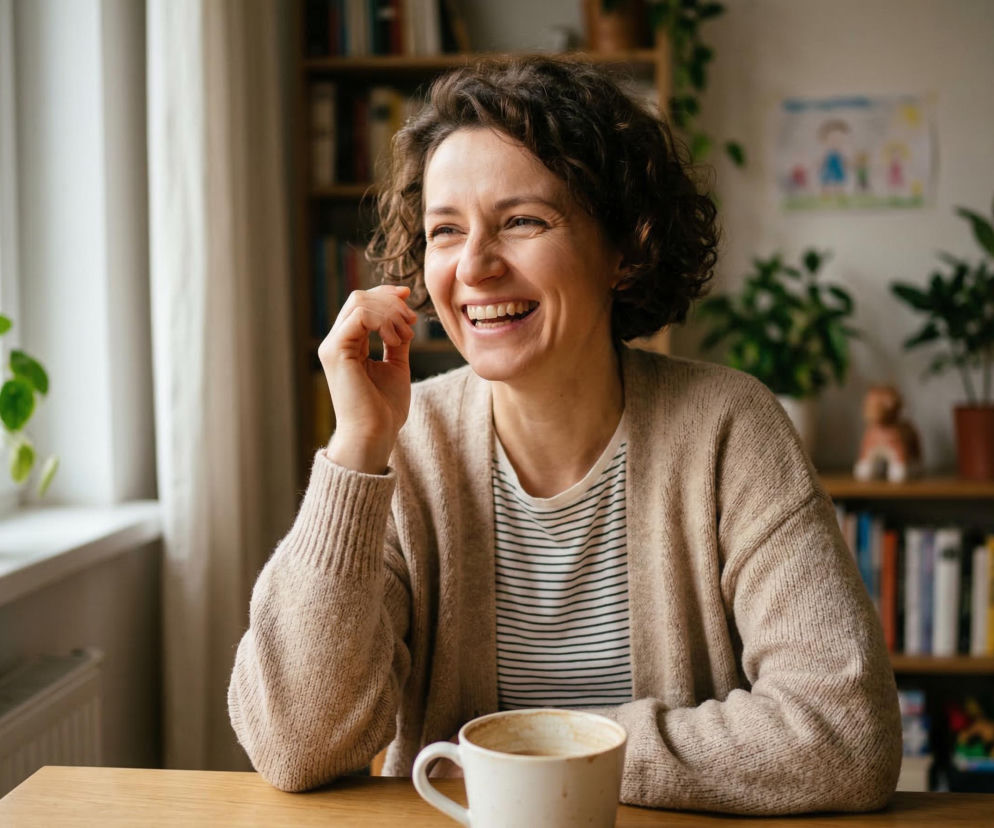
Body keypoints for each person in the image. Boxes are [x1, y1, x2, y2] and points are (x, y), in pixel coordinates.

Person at [228, 56, 901, 814]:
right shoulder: (402, 448)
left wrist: (539, 759)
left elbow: (844, 737)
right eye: (445, 231)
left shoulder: (729, 430)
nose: (474, 267)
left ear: (624, 248)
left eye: (521, 221)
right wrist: (355, 451)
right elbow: (293, 745)